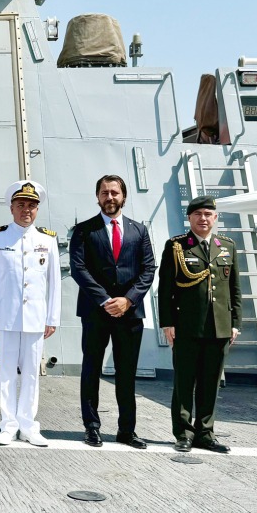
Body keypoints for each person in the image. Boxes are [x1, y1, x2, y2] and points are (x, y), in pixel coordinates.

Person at [69, 174, 157, 449]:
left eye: (114, 193)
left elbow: (148, 269)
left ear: (124, 197)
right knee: (91, 369)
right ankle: (92, 427)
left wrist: (128, 300)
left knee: (126, 372)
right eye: (104, 193)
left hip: (130, 314)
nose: (110, 198)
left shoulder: (139, 231)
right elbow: (78, 269)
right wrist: (106, 300)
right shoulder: (84, 230)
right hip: (96, 312)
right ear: (97, 197)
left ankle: (126, 430)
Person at [0, 180, 61, 447]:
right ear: (11, 208)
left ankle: (28, 425)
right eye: (21, 204)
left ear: (37, 210)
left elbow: (54, 282)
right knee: (7, 374)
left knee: (32, 374)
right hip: (5, 316)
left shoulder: (47, 240)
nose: (27, 210)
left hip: (36, 317)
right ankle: (8, 424)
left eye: (32, 205)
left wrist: (52, 318)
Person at [157, 195, 241, 453]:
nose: (203, 219)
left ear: (215, 218)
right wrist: (168, 323)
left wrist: (235, 322)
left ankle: (205, 432)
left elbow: (235, 288)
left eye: (208, 214)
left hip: (219, 326)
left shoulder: (227, 246)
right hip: (187, 326)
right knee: (184, 381)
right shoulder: (176, 247)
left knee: (210, 381)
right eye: (198, 215)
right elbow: (165, 289)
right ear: (190, 218)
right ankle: (183, 433)